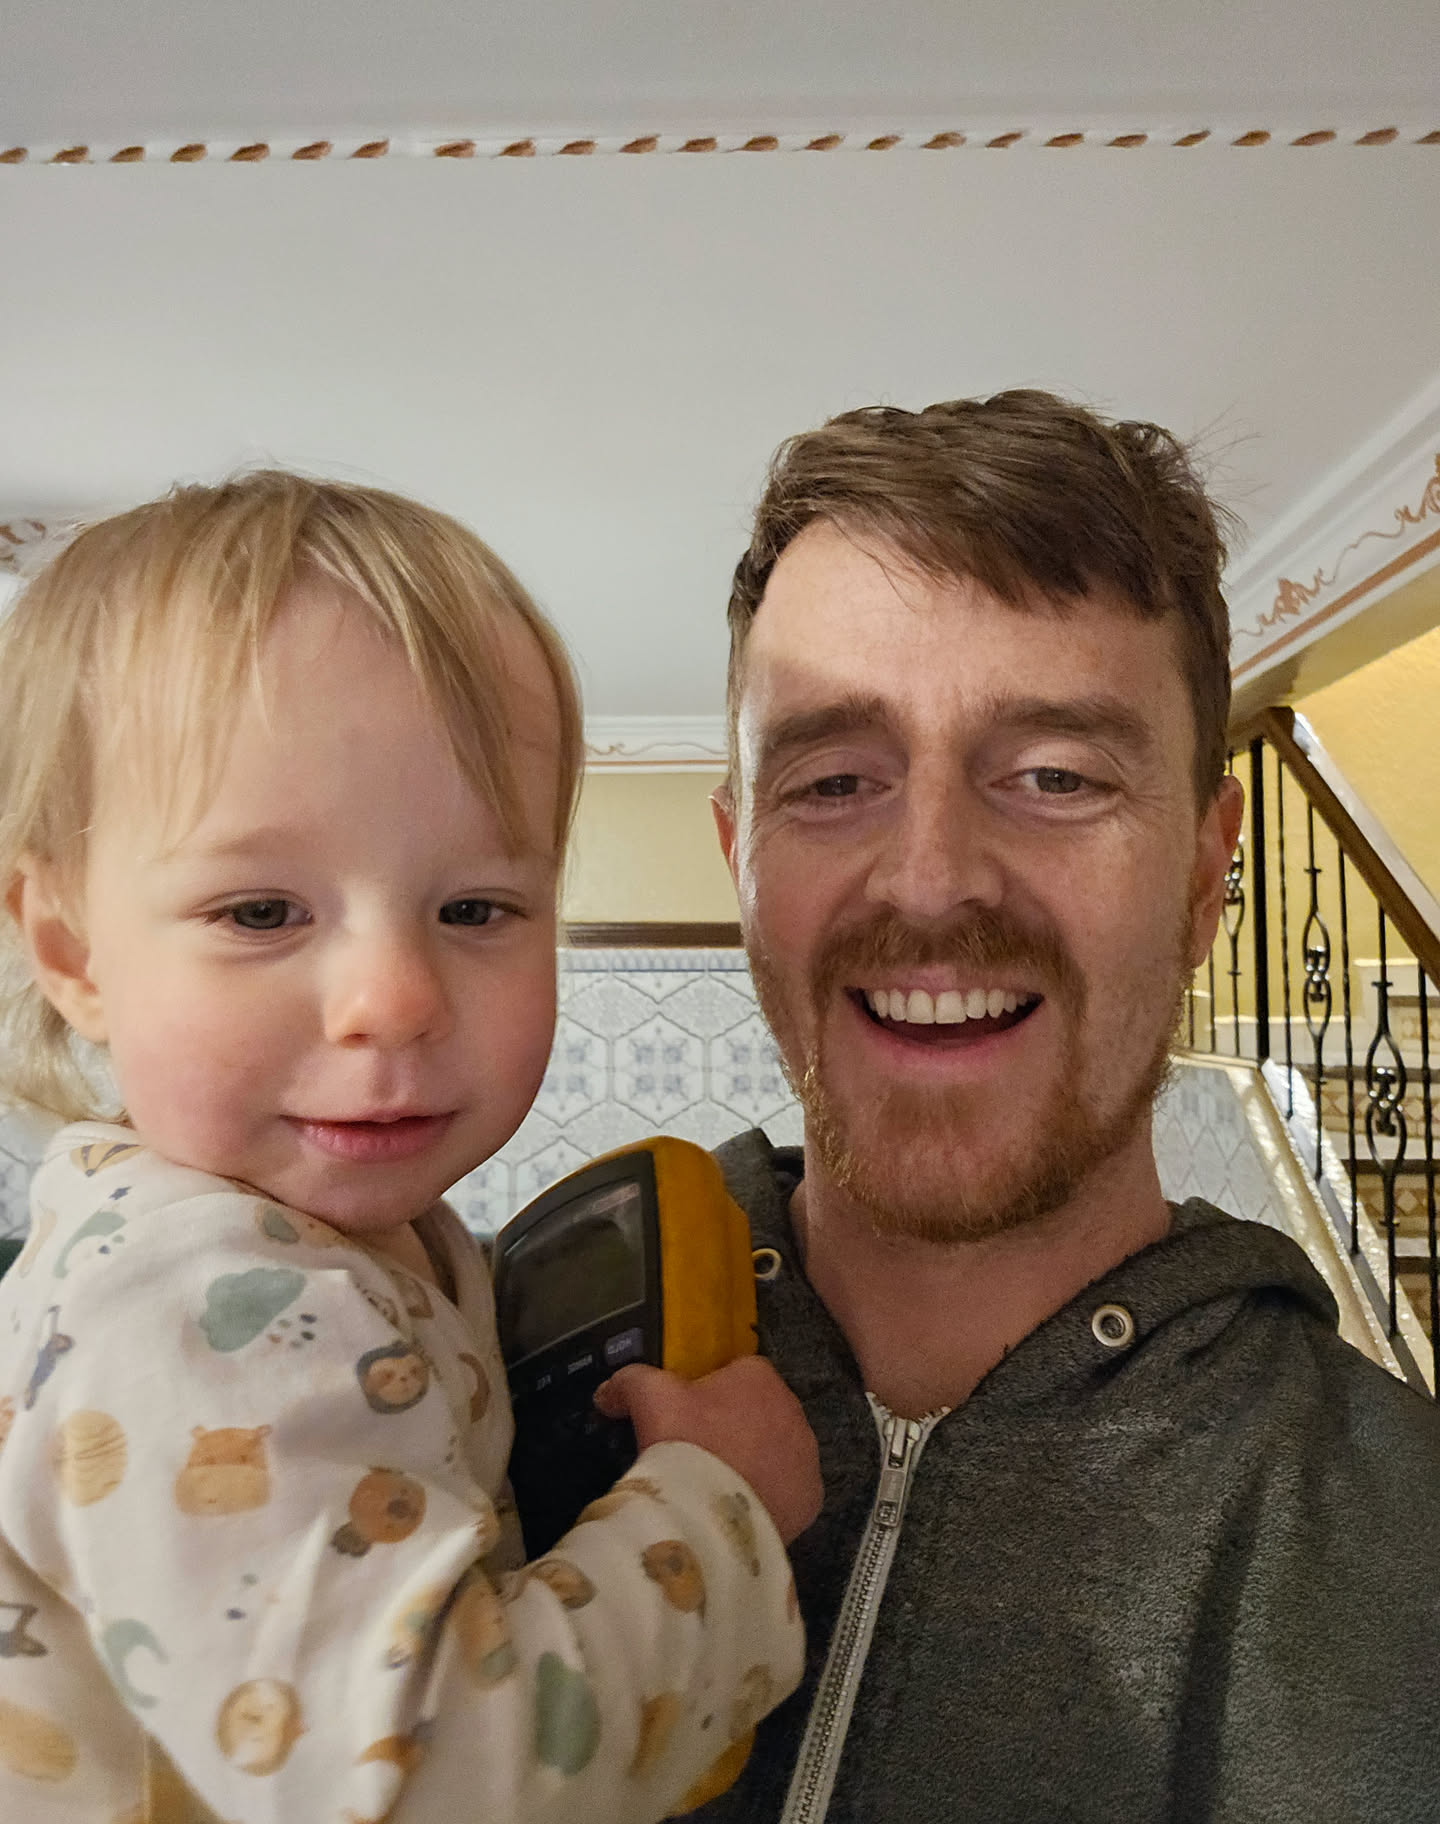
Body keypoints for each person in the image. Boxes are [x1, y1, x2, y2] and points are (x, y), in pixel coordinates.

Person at [0, 473, 820, 1822]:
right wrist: (714, 1508)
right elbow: (428, 1784)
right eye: (261, 911)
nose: (394, 998)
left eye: (476, 908)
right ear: (73, 953)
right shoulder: (198, 1307)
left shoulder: (351, 1247)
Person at [700, 392, 1440, 1822]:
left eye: (1056, 776)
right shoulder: (438, 1402)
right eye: (835, 780)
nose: (932, 880)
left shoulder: (1407, 1556)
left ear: (1206, 873)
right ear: (742, 862)